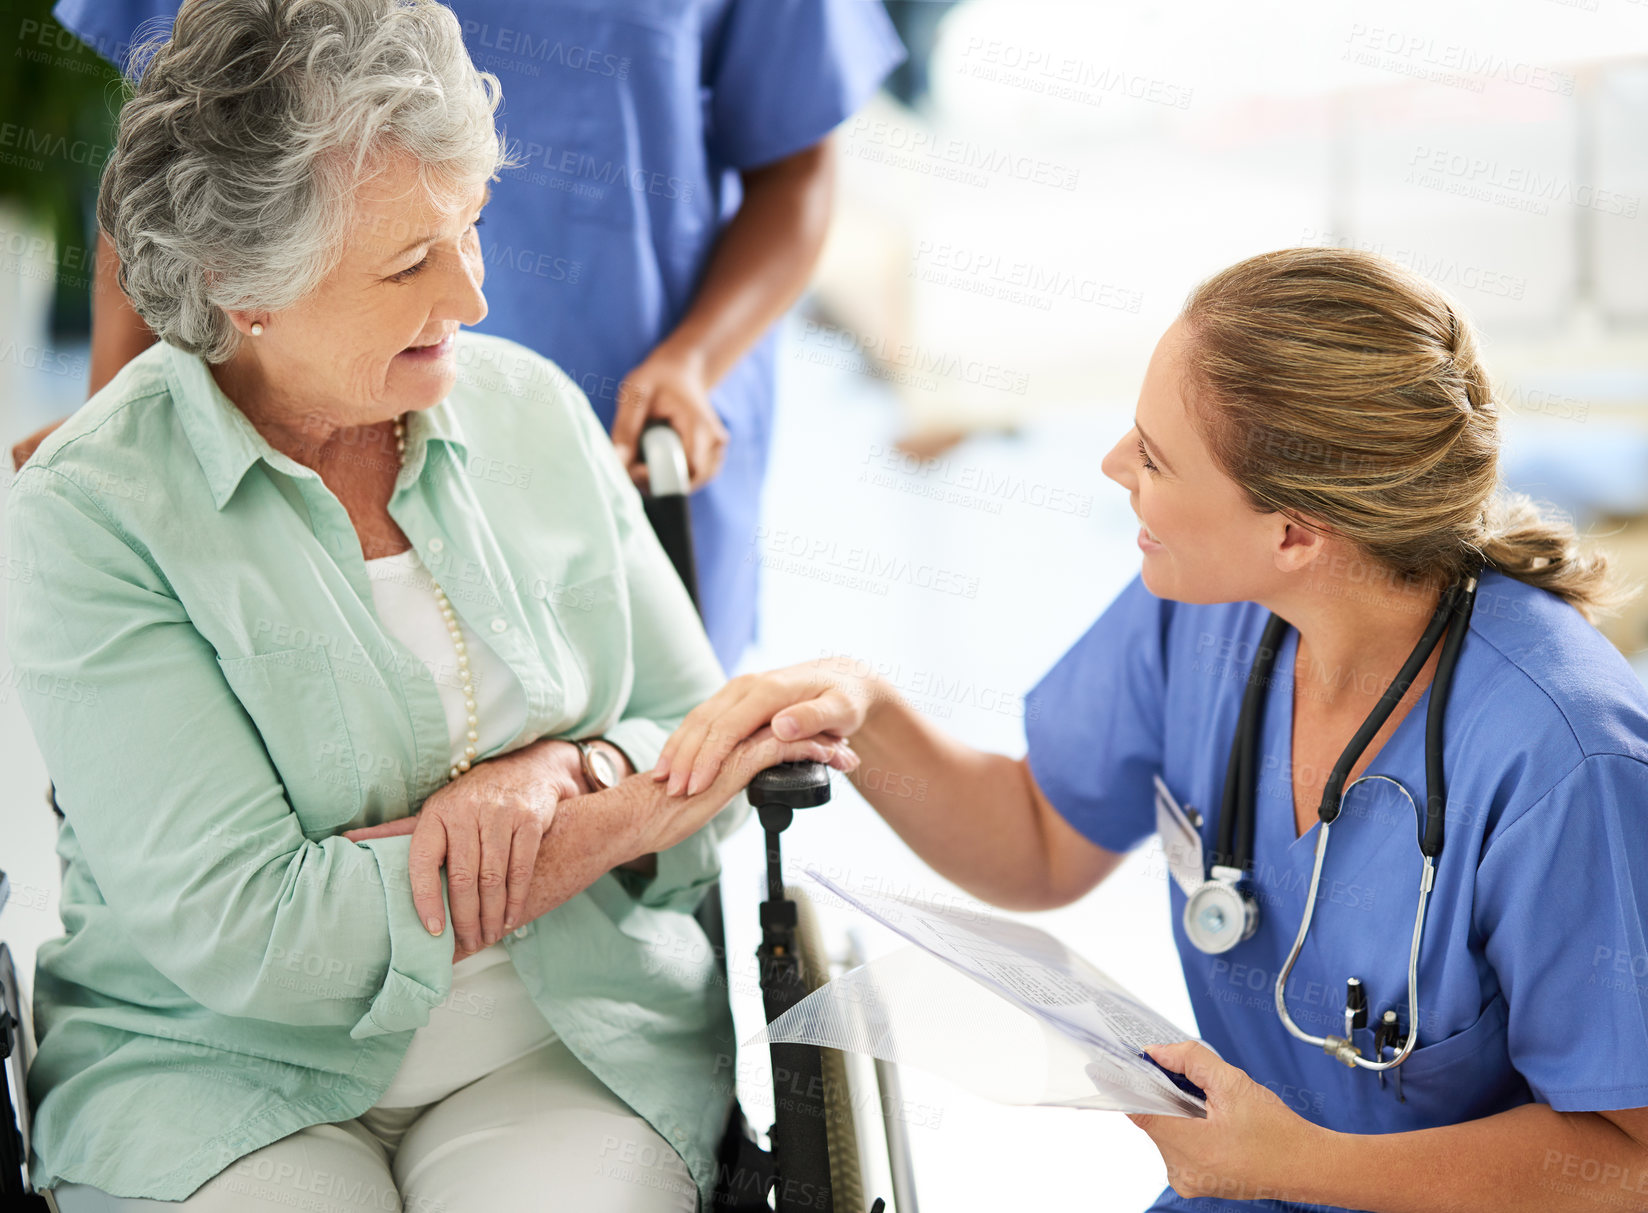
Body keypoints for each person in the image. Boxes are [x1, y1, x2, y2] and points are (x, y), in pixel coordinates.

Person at [6, 3, 854, 1209]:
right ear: (241, 283)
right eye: (409, 262)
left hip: (565, 1036)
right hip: (212, 1066)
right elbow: (257, 932)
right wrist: (613, 823)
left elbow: (702, 744)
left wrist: (566, 769)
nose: (472, 292)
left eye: (470, 228)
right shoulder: (92, 509)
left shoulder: (534, 411)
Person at [651, 247, 1648, 1211]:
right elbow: (1039, 842)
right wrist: (856, 702)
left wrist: (1300, 1163)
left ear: (1295, 532)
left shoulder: (1565, 759)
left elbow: (1629, 1163)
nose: (1111, 462)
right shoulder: (1209, 605)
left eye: (1156, 457)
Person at [22, 0, 907, 675]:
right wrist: (118, 455)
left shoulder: (547, 419)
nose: (470, 301)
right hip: (300, 451)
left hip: (629, 435)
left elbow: (797, 168)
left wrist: (696, 359)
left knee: (655, 781)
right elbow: (174, 171)